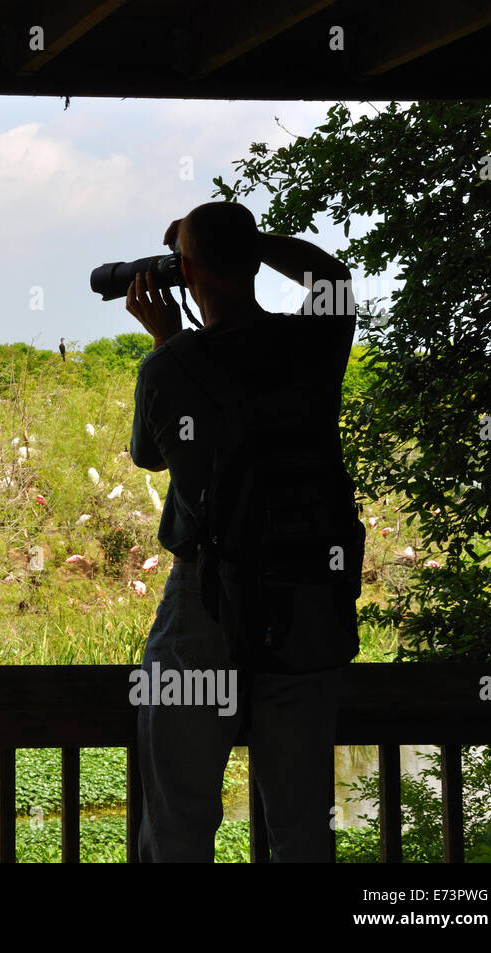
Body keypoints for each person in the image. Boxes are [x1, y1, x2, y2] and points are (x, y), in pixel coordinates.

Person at [123, 200, 356, 862]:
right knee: (302, 827)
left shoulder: (169, 367)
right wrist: (245, 243)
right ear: (253, 261)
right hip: (306, 605)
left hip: (205, 607)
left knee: (177, 823)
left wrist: (170, 340)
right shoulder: (311, 347)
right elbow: (330, 274)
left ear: (185, 270)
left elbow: (150, 453)